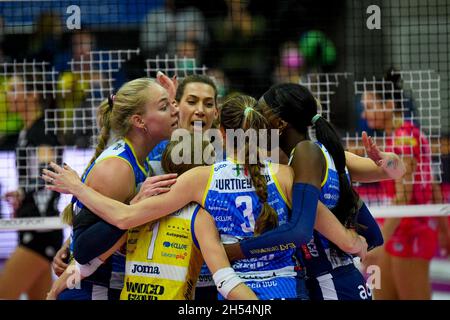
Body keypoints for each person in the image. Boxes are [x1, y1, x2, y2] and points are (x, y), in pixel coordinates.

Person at [43, 94, 369, 300]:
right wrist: (358, 242)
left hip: (226, 291)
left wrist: (77, 187)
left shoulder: (200, 179)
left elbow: (124, 218)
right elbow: (336, 234)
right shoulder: (288, 174)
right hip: (286, 288)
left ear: (222, 133)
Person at [222, 83, 405, 300]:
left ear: (280, 123)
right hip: (344, 280)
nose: (256, 122)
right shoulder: (327, 152)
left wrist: (234, 251)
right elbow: (397, 170)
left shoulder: (305, 154)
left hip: (330, 286)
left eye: (261, 115)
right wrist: (386, 159)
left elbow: (300, 230)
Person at [47, 137, 257, 300]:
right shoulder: (200, 217)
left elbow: (87, 265)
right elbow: (225, 281)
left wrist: (55, 289)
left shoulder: (139, 209)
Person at [54, 77, 179, 300]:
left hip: (112, 285)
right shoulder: (117, 169)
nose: (174, 110)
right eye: (164, 106)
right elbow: (83, 250)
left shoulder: (141, 154)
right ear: (139, 121)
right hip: (92, 290)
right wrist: (133, 209)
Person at [360, 70, 439, 299]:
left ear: (389, 104)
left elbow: (403, 197)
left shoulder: (403, 140)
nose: (365, 114)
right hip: (403, 230)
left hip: (411, 232)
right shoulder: (404, 134)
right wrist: (443, 230)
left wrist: (379, 240)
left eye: (370, 107)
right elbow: (432, 182)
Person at [0, 76, 63, 299]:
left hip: (41, 230)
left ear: (32, 95)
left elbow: (49, 172)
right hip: (32, 227)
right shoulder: (26, 133)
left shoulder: (42, 132)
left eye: (14, 90)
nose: (8, 95)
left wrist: (27, 191)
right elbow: (37, 179)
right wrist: (21, 192)